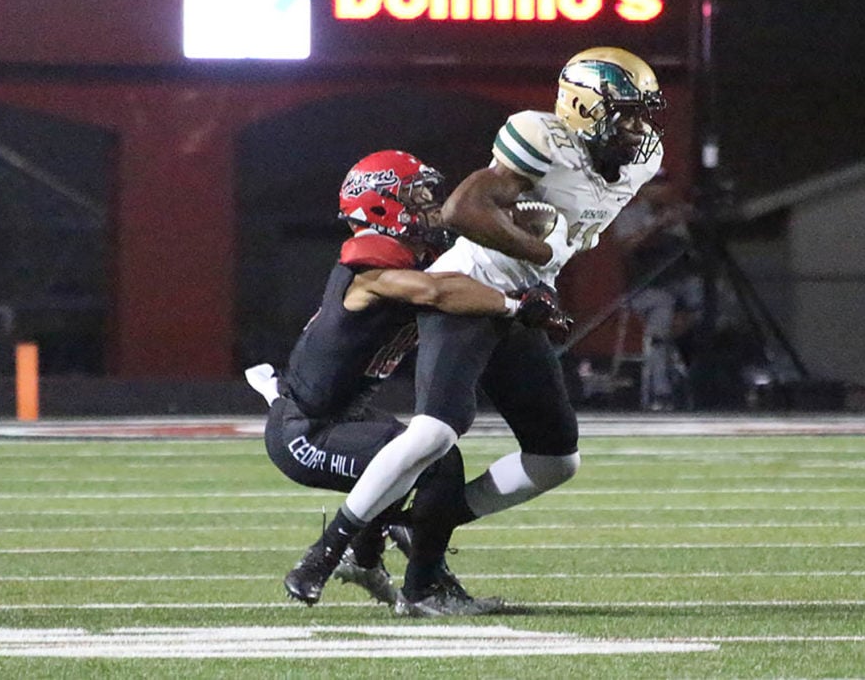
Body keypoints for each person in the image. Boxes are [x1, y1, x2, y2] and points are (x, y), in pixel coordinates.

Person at [284, 47, 668, 616]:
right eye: (627, 113)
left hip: (525, 299)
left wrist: (542, 264)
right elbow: (462, 209)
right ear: (585, 107)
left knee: (555, 460)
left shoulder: (643, 160)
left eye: (643, 113)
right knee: (437, 431)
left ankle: (413, 526)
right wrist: (538, 247)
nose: (639, 128)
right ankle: (327, 552)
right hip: (468, 288)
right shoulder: (542, 138)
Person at [246, 149, 567, 611]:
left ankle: (377, 557)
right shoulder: (371, 267)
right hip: (305, 431)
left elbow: (461, 269)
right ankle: (409, 582)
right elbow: (437, 290)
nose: (430, 208)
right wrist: (515, 304)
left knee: (427, 455)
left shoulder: (412, 256)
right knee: (438, 465)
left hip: (346, 417)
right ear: (381, 207)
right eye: (416, 197)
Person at [612, 170, 702, 410]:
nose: (661, 189)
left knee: (704, 297)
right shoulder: (629, 216)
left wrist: (688, 223)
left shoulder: (679, 215)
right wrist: (657, 226)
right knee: (662, 314)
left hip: (680, 289)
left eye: (664, 183)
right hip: (644, 291)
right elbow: (628, 246)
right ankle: (661, 392)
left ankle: (697, 380)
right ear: (642, 188)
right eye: (654, 184)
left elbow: (693, 255)